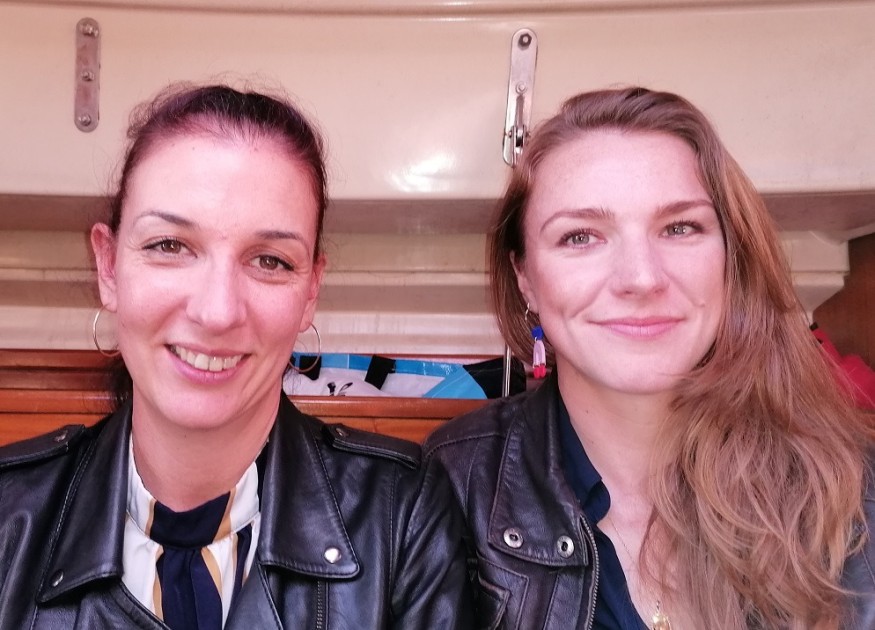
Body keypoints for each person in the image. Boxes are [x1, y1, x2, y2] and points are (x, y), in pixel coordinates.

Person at [0, 84, 472, 629]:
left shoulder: (401, 516)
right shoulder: (10, 514)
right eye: (169, 246)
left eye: (270, 260)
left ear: (311, 291)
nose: (217, 311)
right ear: (108, 267)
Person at [424, 87, 875, 629]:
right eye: (581, 237)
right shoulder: (450, 486)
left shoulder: (855, 492)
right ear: (525, 278)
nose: (641, 278)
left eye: (680, 228)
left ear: (731, 257)